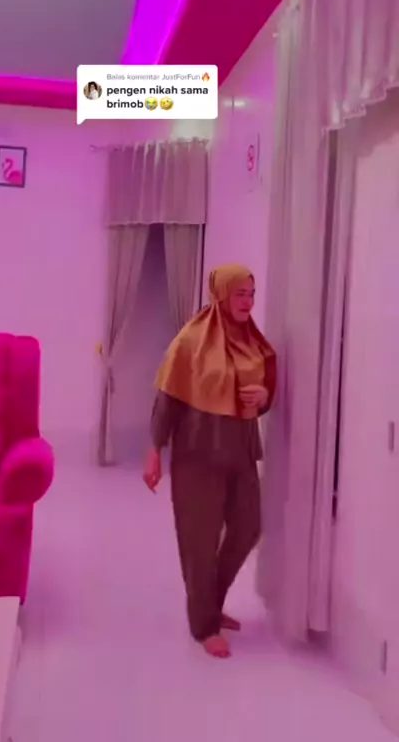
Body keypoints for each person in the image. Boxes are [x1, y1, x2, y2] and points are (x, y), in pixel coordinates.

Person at [143, 264, 276, 659]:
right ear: (221, 295)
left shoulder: (251, 340)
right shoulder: (190, 341)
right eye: (240, 294)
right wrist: (155, 451)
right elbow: (167, 400)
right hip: (198, 454)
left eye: (251, 293)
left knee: (248, 528)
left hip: (241, 450)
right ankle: (203, 626)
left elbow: (266, 388)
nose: (248, 302)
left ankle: (210, 603)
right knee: (199, 542)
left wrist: (264, 397)